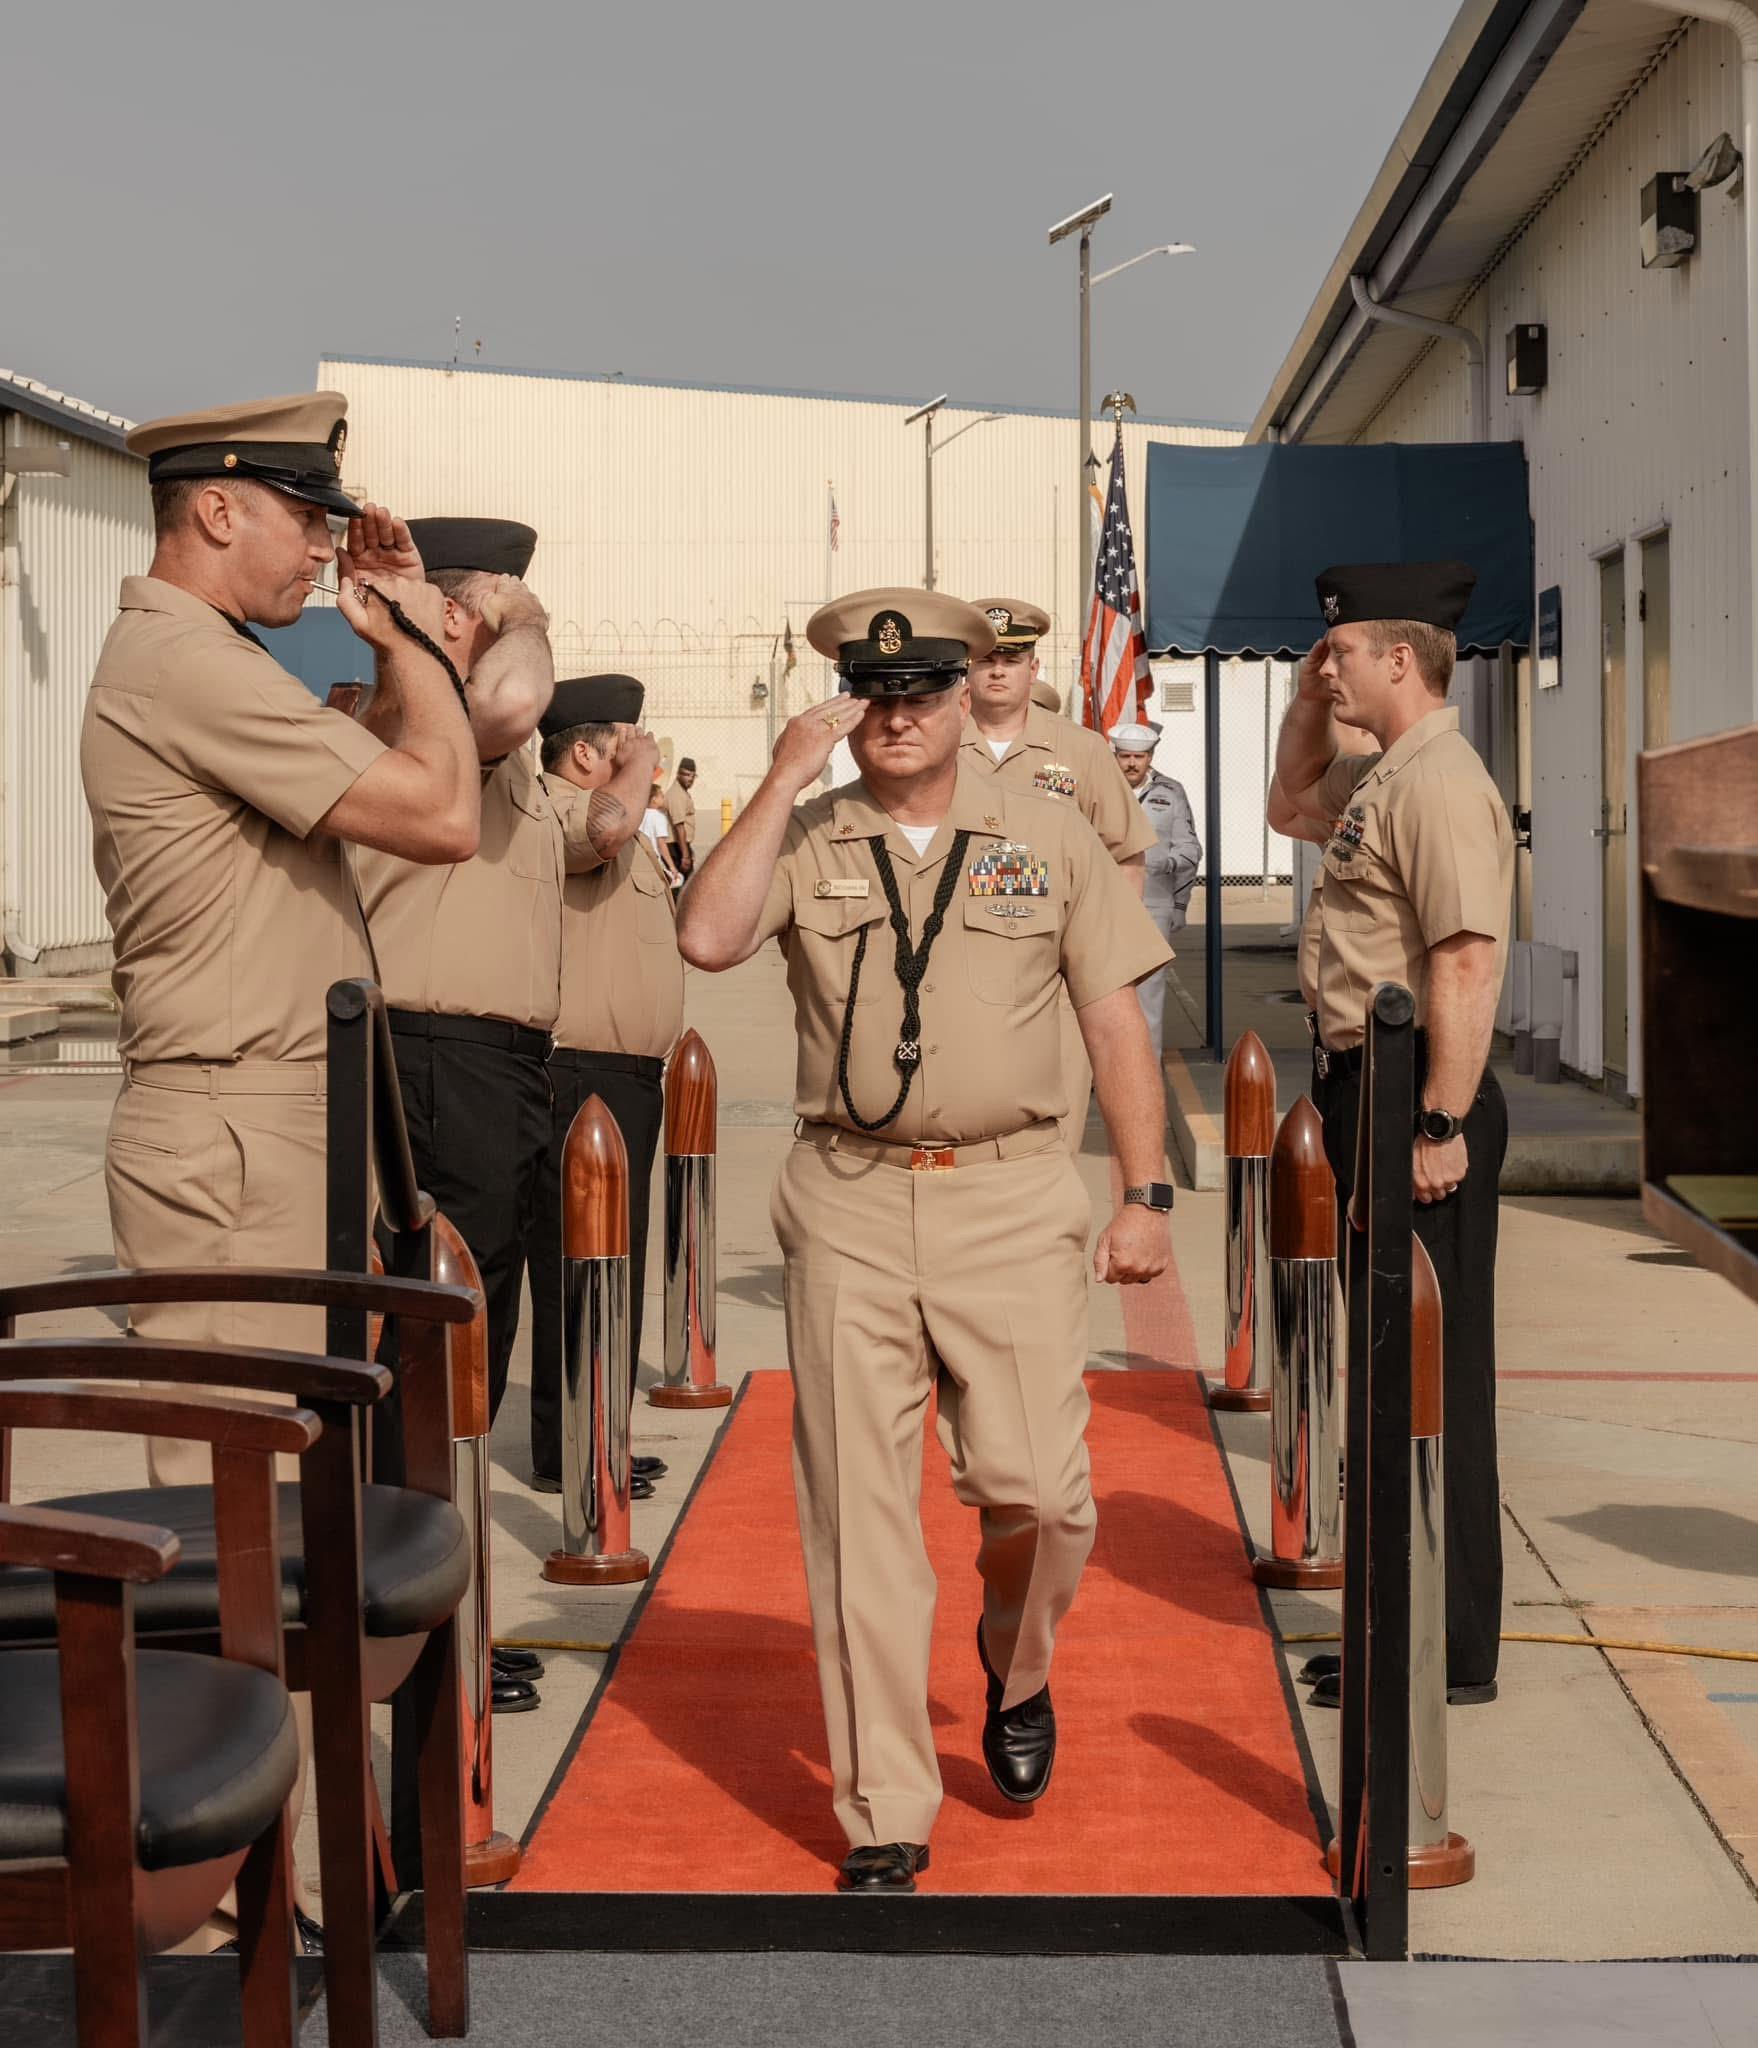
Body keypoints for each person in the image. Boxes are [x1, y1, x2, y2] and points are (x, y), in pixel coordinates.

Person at [677, 588, 1175, 1895]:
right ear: (848, 705)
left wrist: (1144, 1191)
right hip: (847, 1196)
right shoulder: (809, 831)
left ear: (968, 698)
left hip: (1009, 1197)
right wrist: (786, 772)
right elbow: (708, 936)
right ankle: (884, 1809)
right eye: (873, 696)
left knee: (1041, 1496)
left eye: (921, 694)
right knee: (857, 1519)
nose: (895, 718)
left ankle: (1015, 1668)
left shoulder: (1049, 836)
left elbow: (1114, 1021)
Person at [81, 390, 481, 1949]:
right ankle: (260, 1910)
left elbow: (373, 789)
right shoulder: (182, 662)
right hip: (233, 1141)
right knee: (240, 1552)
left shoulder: (221, 671)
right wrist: (415, 647)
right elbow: (439, 811)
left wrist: (395, 661)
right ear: (218, 508)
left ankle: (307, 1889)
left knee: (295, 1541)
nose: (326, 544)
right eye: (308, 517)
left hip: (285, 1137)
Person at [1272, 561, 1514, 1709]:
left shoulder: (1442, 782)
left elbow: (1465, 960)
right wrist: (1310, 698)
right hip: (1369, 1084)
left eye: (1345, 652)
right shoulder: (1386, 772)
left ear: (1401, 659)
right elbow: (1288, 801)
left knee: (1430, 1373)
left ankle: (1446, 1647)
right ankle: (1398, 1627)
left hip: (1417, 1091)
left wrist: (1438, 1120)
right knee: (1385, 1372)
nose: (1332, 665)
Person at [346, 515, 576, 1711]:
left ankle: (453, 1614)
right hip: (435, 1059)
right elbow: (513, 698)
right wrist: (489, 622)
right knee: (430, 1354)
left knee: (470, 1350)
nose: (522, 617)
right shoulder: (427, 709)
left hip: (501, 1070)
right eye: (503, 596)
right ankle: (422, 1626)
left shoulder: (471, 727)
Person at [527, 675, 678, 1500]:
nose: (646, 752)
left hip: (625, 1077)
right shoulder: (556, 811)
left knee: (610, 1264)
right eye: (629, 739)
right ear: (584, 752)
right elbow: (599, 838)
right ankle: (572, 1446)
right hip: (578, 1070)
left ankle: (597, 1437)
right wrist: (637, 770)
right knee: (578, 1267)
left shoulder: (616, 820)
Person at [960, 598, 1155, 1151]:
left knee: (1052, 1138)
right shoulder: (937, 746)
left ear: (1034, 669)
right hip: (955, 965)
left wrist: (1107, 964)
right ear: (966, 668)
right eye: (986, 659)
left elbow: (1125, 855)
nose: (998, 670)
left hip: (1055, 977)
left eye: (1012, 659)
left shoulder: (1083, 751)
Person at [1109, 721, 1200, 1049]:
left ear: (1151, 757)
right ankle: (1099, 1070)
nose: (1132, 763)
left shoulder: (1171, 792)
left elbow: (1190, 849)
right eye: (1126, 756)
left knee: (1149, 990)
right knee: (1102, 990)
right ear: (1115, 755)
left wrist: (1178, 903)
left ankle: (1147, 1067)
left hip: (1154, 901)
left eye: (1140, 756)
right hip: (1104, 904)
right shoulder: (1098, 787)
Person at [642, 779, 684, 886]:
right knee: (677, 881)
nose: (664, 798)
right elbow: (661, 844)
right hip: (654, 859)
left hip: (641, 858)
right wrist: (672, 867)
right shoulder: (659, 817)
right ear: (654, 799)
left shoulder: (641, 815)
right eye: (661, 796)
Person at [663, 756, 698, 875]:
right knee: (682, 889)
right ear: (678, 774)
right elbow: (679, 826)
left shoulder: (682, 792)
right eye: (687, 775)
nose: (690, 779)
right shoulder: (676, 795)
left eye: (693, 776)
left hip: (680, 846)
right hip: (675, 847)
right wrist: (685, 856)